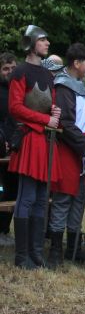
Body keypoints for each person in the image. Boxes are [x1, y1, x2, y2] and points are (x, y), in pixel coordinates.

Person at [8, 25, 61, 269]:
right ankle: (22, 256)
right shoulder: (20, 71)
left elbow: (48, 105)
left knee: (41, 198)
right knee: (27, 197)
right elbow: (15, 107)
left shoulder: (48, 75)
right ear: (31, 44)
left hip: (45, 141)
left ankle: (36, 253)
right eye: (42, 40)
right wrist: (45, 119)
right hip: (30, 138)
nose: (47, 43)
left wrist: (54, 112)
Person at [48, 43, 85, 266]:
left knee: (79, 198)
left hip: (79, 151)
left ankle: (74, 249)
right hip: (68, 150)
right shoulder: (63, 87)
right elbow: (66, 124)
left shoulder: (77, 85)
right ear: (76, 63)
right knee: (63, 199)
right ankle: (55, 252)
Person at [0, 52, 18, 247]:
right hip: (1, 147)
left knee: (13, 190)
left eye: (13, 68)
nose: (10, 72)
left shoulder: (19, 90)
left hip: (15, 149)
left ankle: (3, 229)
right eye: (6, 68)